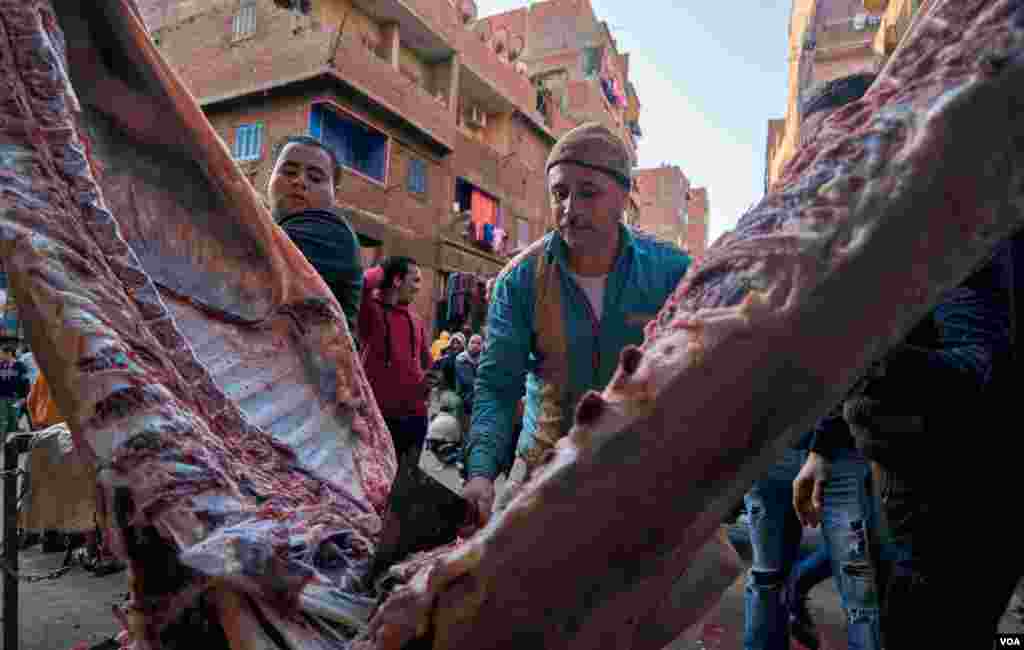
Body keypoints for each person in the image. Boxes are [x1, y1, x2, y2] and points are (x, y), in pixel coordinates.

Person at [462, 122, 691, 528]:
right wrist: (480, 474)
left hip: (639, 475)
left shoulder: (672, 272)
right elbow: (497, 388)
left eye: (588, 192)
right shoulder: (520, 281)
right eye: (560, 193)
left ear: (623, 197)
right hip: (543, 472)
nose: (570, 208)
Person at [743, 73, 882, 650]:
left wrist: (826, 444)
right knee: (766, 577)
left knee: (860, 592)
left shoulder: (889, 225)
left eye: (848, 135)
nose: (830, 156)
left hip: (841, 452)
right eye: (818, 141)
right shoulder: (778, 224)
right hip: (773, 446)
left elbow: (868, 342)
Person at [268, 135, 363, 341]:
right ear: (271, 177)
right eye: (289, 172)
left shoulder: (331, 233)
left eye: (316, 178)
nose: (300, 181)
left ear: (334, 194)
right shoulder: (273, 227)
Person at [359, 256, 432, 462]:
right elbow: (362, 283)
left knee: (404, 488)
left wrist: (430, 380)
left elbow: (428, 363)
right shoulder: (370, 309)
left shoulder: (416, 319)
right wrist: (384, 270)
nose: (419, 288)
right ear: (398, 280)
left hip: (415, 419)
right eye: (415, 280)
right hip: (378, 419)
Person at [455, 334, 483, 420]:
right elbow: (468, 382)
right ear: (468, 344)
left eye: (478, 343)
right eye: (472, 342)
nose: (475, 345)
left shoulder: (483, 360)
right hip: (464, 399)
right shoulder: (461, 359)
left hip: (478, 399)